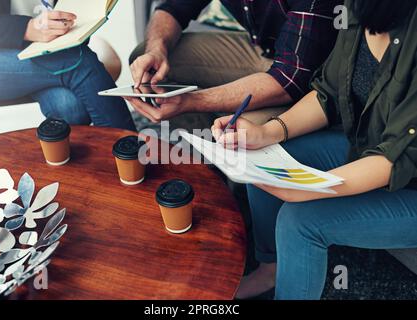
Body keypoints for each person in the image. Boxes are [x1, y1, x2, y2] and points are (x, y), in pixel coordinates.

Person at [212, 0, 417, 300]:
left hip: (407, 179)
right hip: (368, 142)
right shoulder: (354, 10)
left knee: (299, 222)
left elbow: (396, 157)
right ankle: (272, 269)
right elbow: (327, 92)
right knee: (265, 154)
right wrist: (267, 132)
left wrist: (307, 189)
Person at [127, 0, 342, 132]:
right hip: (262, 48)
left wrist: (192, 101)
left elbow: (288, 79)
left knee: (241, 128)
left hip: (316, 74)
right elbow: (173, 8)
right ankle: (207, 159)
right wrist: (157, 49)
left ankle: (235, 186)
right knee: (145, 56)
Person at [0, 0, 136, 131]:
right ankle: (128, 156)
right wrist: (27, 28)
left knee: (71, 108)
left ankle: (83, 171)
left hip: (46, 48)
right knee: (79, 62)